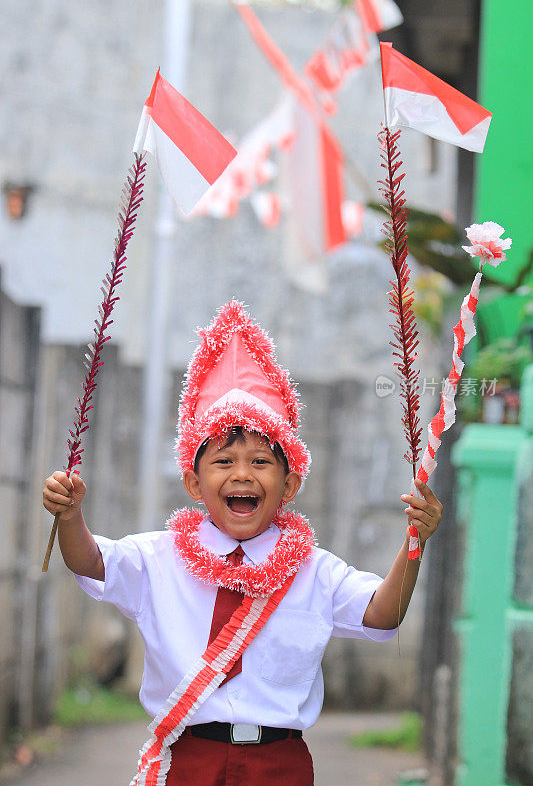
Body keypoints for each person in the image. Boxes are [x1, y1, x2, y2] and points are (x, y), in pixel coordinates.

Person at [43, 300, 442, 786]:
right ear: (193, 484)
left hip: (281, 765)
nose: (242, 474)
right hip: (189, 760)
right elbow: (92, 563)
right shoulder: (158, 557)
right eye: (224, 461)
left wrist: (414, 541)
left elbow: (384, 612)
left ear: (290, 485)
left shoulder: (315, 570)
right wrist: (70, 517)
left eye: (260, 462)